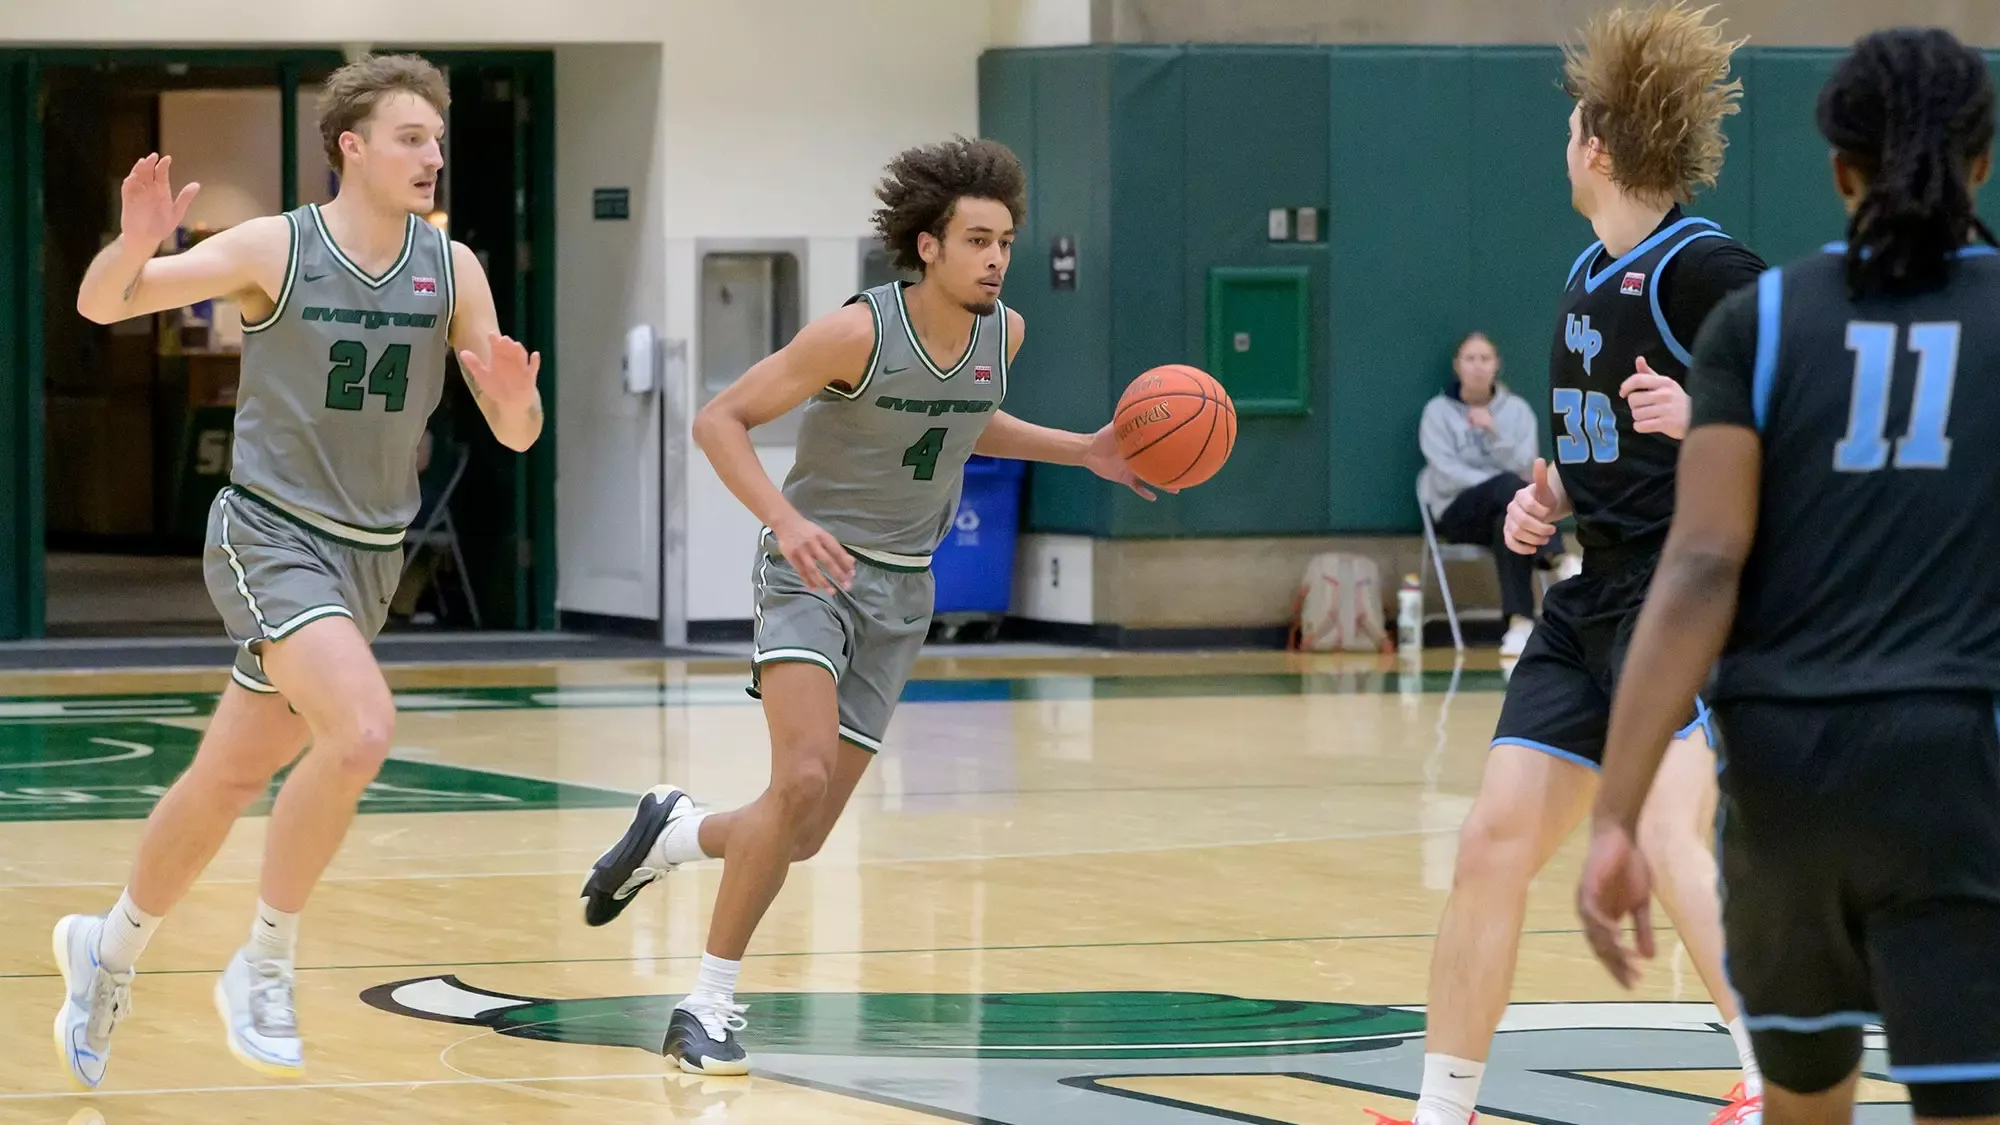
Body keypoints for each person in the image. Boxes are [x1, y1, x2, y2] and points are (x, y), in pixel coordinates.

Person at [575, 137, 1156, 1076]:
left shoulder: (1001, 336)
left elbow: (960, 418)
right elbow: (719, 419)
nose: (997, 258)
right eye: (977, 239)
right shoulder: (856, 333)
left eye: (1005, 239)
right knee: (797, 780)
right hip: (813, 574)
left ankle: (674, 829)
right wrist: (785, 520)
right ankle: (706, 1004)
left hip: (905, 592)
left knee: (797, 836)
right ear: (928, 245)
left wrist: (1082, 448)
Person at [54, 54, 543, 1086]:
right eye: (412, 139)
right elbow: (106, 306)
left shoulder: (450, 270)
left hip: (369, 557)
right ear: (351, 147)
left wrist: (509, 396)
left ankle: (109, 948)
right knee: (361, 729)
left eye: (439, 141)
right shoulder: (276, 246)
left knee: (229, 775)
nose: (433, 158)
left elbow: (516, 431)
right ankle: (264, 961)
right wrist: (136, 245)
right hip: (270, 530)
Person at [1581, 27, 2000, 1125]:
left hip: (1786, 778)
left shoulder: (1757, 324)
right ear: (1982, 163)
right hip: (1959, 767)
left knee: (1803, 1102)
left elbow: (1700, 566)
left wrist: (1615, 817)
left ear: (1837, 170)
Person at [1373, 6, 1770, 1124]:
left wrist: (1700, 409)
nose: (1561, 148)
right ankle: (1439, 1112)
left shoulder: (1705, 269)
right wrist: (1549, 490)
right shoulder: (1590, 268)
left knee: (1660, 832)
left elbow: (1812, 410)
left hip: (1685, 595)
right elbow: (1593, 431)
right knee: (1489, 842)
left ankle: (1774, 1077)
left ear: (1594, 144)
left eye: (1566, 132)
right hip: (1590, 596)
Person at [1418, 330, 1564, 656]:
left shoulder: (1517, 412)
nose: (1478, 366)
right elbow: (1444, 474)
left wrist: (1495, 433)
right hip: (1457, 512)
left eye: (1485, 359)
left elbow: (1529, 468)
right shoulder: (1437, 413)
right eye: (1470, 359)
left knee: (1509, 523)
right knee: (1510, 489)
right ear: (1457, 366)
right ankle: (1557, 555)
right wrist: (1495, 484)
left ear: (1497, 364)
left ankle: (1520, 624)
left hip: (1504, 509)